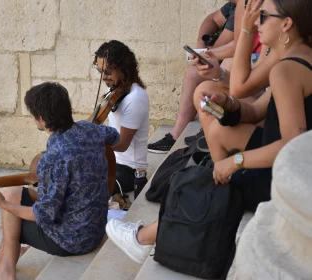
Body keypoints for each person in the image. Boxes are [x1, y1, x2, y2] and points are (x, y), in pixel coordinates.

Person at [106, 0, 312, 265]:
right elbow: (257, 110)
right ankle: (222, 193)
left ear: (286, 24)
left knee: (201, 183)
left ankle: (144, 237)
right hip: (291, 164)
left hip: (283, 178)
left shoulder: (286, 71)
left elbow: (292, 147)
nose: (256, 22)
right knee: (215, 135)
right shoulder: (298, 56)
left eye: (263, 16)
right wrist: (229, 105)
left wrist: (235, 162)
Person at [0, 82, 120, 280]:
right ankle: (3, 269)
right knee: (14, 192)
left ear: (41, 120)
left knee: (10, 213)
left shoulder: (53, 158)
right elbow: (115, 136)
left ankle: (5, 272)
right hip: (95, 228)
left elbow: (43, 215)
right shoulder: (90, 129)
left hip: (72, 241)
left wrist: (3, 204)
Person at [147, 0, 238, 153]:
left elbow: (235, 45)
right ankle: (177, 134)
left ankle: (188, 134)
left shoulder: (246, 6)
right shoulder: (233, 5)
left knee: (198, 77)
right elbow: (212, 19)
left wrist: (205, 54)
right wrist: (200, 43)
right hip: (220, 59)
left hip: (234, 62)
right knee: (194, 73)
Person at [93, 40, 150, 202]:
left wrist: (93, 142)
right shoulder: (114, 89)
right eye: (100, 71)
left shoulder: (135, 98)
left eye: (108, 71)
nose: (104, 77)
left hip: (129, 169)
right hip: (111, 160)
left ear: (123, 69)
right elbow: (94, 119)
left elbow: (123, 144)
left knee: (89, 186)